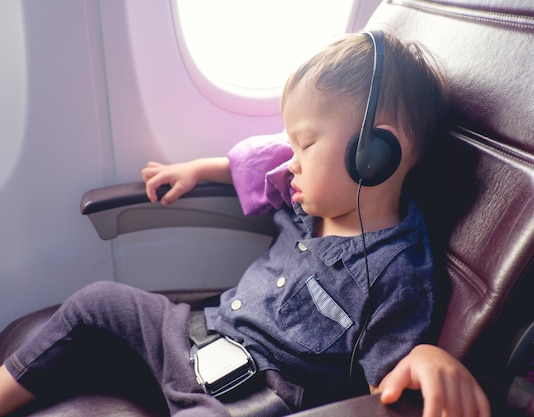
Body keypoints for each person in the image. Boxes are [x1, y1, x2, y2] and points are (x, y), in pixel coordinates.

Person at [0, 32, 489, 417]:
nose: (290, 162)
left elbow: (385, 383)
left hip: (248, 401)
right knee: (98, 301)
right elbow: (264, 159)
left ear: (373, 156)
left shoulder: (397, 272)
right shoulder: (314, 196)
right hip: (196, 334)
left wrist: (425, 358)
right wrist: (198, 170)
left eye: (305, 145)